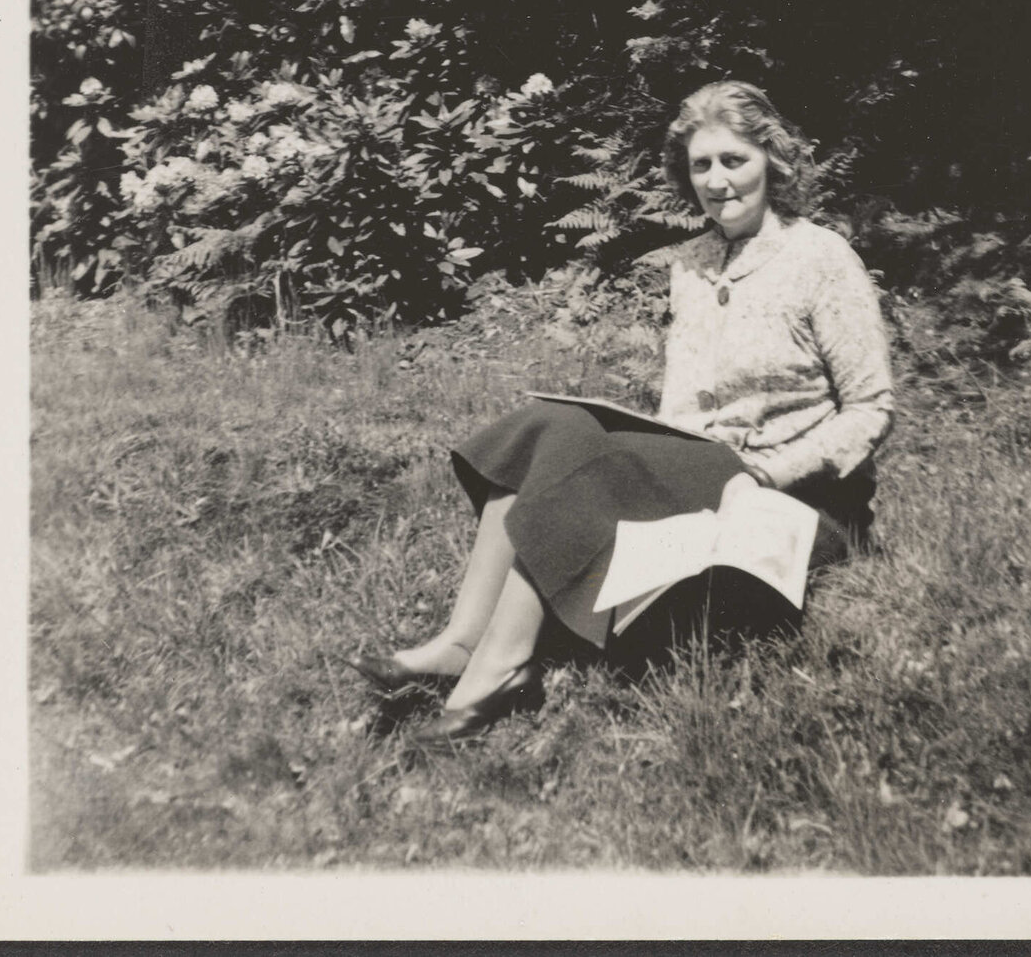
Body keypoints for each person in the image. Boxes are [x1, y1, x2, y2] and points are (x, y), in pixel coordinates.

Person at [356, 81, 895, 746]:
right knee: (547, 429)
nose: (718, 182)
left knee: (594, 458)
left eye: (734, 161)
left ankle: (502, 666)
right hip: (709, 473)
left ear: (772, 162)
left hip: (800, 502)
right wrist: (659, 463)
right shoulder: (692, 265)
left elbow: (871, 409)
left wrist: (769, 474)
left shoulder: (820, 259)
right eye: (702, 166)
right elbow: (685, 405)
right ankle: (465, 639)